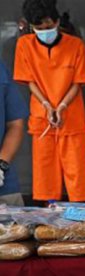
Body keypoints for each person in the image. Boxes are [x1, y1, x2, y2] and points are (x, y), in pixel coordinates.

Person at [14, 0, 85, 202]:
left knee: (78, 171)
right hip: (42, 116)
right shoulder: (24, 45)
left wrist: (61, 106)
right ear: (31, 27)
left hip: (72, 113)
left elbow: (78, 82)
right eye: (39, 29)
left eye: (49, 27)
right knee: (45, 171)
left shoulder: (76, 45)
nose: (45, 31)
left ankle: (82, 213)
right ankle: (47, 216)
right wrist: (46, 105)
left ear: (58, 22)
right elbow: (30, 80)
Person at [0, 61, 28, 206]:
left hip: (5, 190)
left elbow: (15, 124)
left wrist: (1, 165)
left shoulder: (1, 70)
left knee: (15, 229)